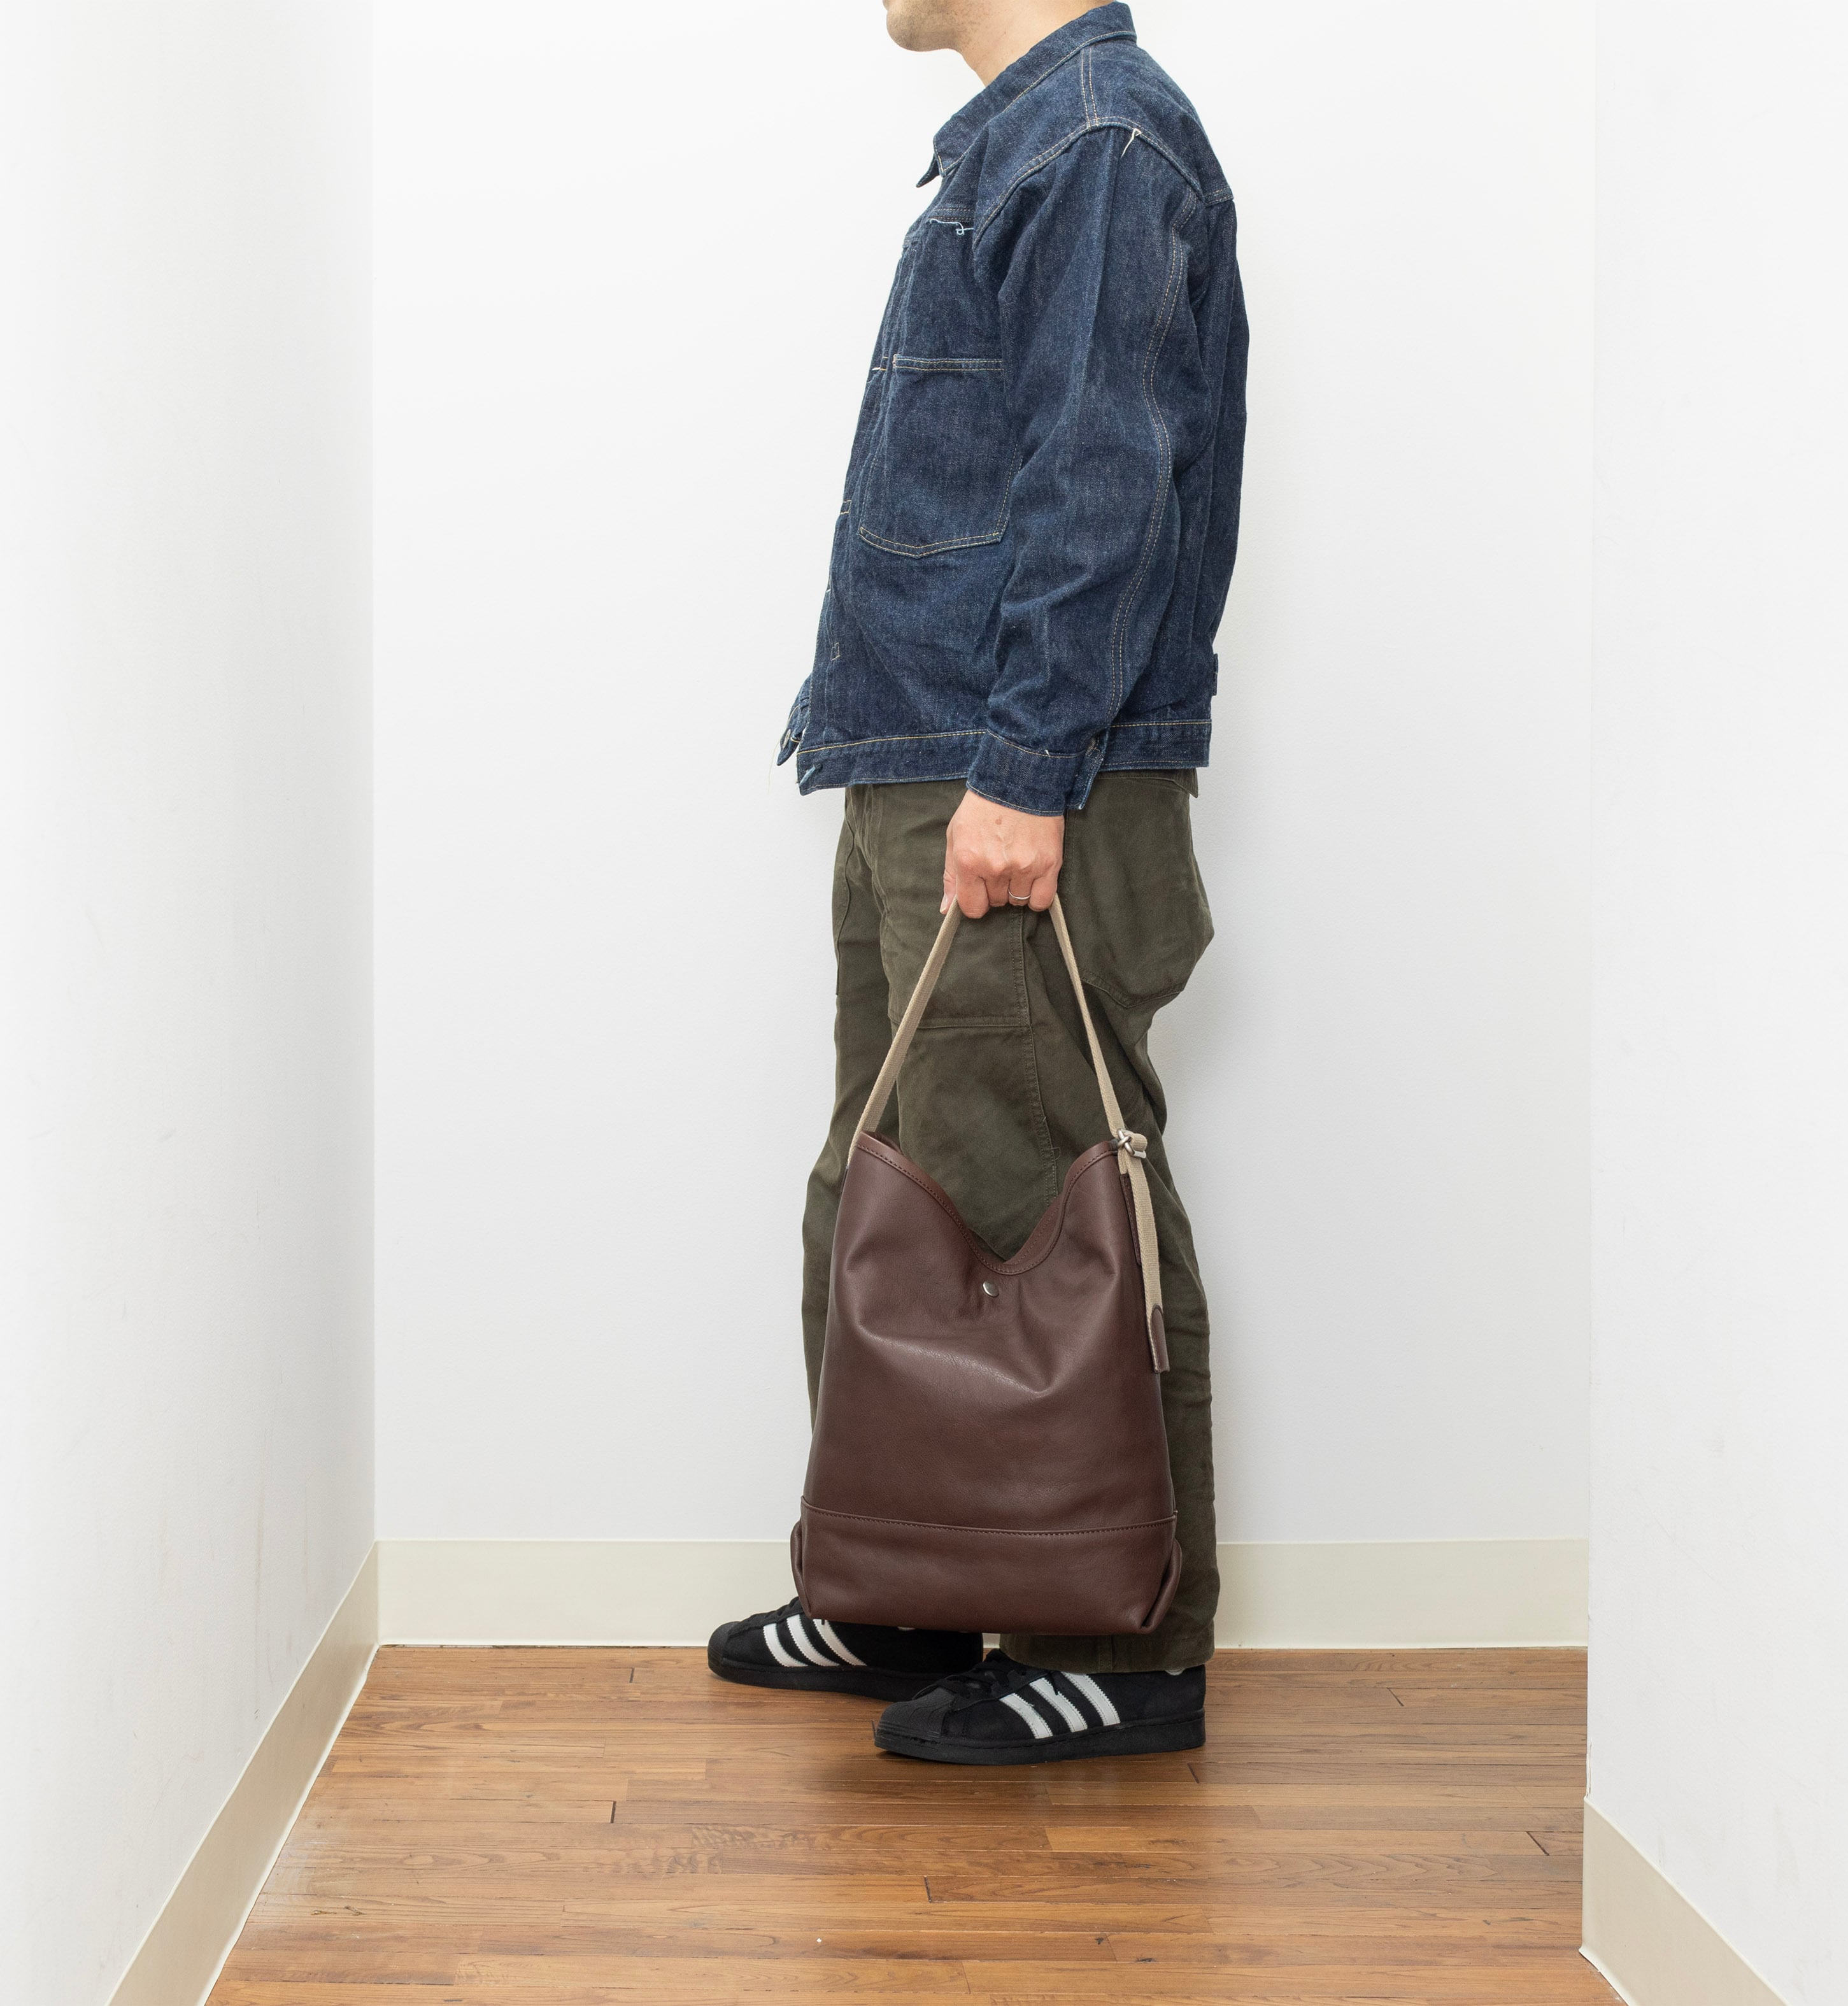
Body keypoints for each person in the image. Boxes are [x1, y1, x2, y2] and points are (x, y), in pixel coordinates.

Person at [706, 0, 1247, 1765]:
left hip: (1012, 772)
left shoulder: (1097, 139)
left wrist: (1023, 770)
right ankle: (908, 1590)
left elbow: (1102, 477)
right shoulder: (1024, 146)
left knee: (1049, 1201)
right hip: (924, 755)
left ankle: (1123, 1650)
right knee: (895, 1197)